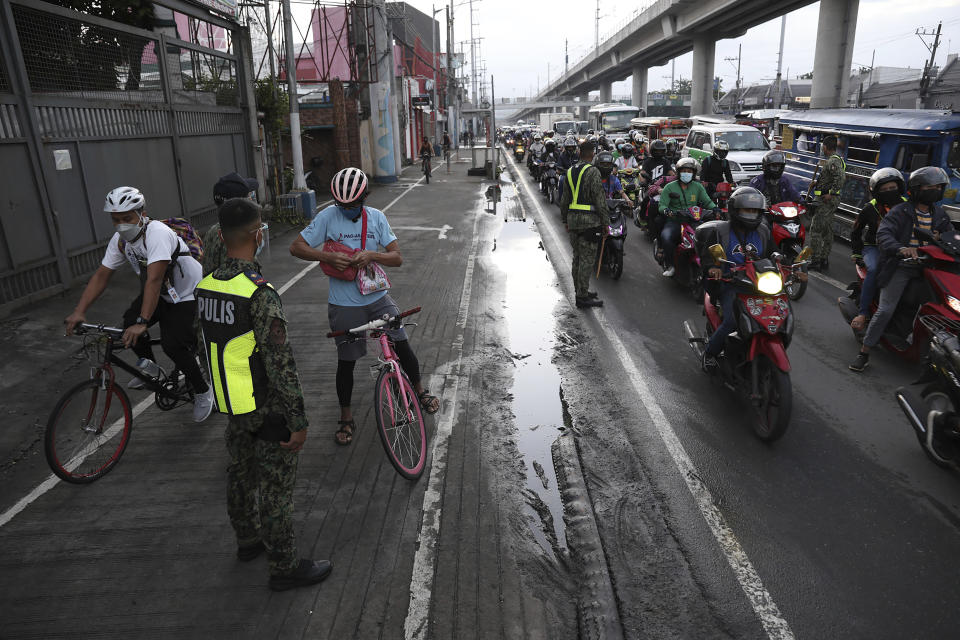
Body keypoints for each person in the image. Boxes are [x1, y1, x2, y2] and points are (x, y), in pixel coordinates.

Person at [195, 197, 331, 592]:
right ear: (258, 235)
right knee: (275, 490)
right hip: (267, 407)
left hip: (233, 404)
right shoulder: (259, 293)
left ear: (220, 236)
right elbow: (280, 365)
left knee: (239, 477)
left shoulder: (205, 288)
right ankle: (284, 566)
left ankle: (248, 542)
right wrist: (299, 422)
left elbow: (201, 342)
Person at [289, 167, 439, 444]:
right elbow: (296, 247)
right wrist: (328, 257)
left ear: (364, 199)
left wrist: (372, 255)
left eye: (353, 204)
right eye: (341, 205)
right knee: (346, 363)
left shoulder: (377, 218)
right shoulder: (326, 217)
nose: (346, 209)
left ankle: (418, 390)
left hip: (378, 298)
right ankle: (346, 416)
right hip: (343, 305)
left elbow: (397, 257)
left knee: (402, 345)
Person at [64, 187, 213, 421]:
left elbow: (153, 279)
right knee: (127, 327)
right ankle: (153, 372)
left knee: (172, 345)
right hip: (161, 292)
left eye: (127, 218)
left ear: (141, 213)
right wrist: (79, 312)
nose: (121, 224)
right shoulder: (121, 240)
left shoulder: (157, 233)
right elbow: (102, 275)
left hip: (187, 294)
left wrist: (143, 322)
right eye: (116, 220)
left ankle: (204, 391)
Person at [849, 167, 953, 372]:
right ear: (917, 189)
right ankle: (865, 351)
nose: (934, 190)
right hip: (901, 267)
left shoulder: (940, 215)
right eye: (928, 186)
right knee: (885, 309)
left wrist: (948, 243)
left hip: (929, 269)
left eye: (937, 187)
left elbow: (951, 238)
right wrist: (901, 249)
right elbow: (884, 235)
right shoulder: (900, 212)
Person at [697, 186, 774, 371]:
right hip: (730, 283)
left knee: (776, 318)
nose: (751, 214)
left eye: (755, 211)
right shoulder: (722, 231)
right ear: (735, 210)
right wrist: (714, 268)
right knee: (732, 321)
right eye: (747, 210)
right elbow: (708, 257)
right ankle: (710, 353)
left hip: (758, 285)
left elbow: (774, 254)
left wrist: (794, 269)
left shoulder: (763, 231)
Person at [848, 167, 907, 332]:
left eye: (892, 188)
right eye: (884, 189)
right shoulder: (870, 208)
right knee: (874, 270)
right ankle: (863, 313)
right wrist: (857, 252)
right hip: (873, 248)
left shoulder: (906, 207)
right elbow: (856, 231)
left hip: (899, 249)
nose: (889, 191)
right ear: (877, 191)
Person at [560, 138, 606, 309]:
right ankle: (582, 297)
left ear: (579, 153)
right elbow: (600, 200)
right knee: (587, 260)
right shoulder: (593, 172)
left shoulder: (570, 171)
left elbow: (564, 200)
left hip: (573, 221)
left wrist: (565, 220)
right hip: (589, 222)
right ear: (592, 154)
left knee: (577, 258)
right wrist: (606, 223)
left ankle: (581, 290)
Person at [658, 157, 717, 277]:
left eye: (689, 172)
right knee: (667, 237)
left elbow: (707, 202)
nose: (686, 174)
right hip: (675, 221)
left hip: (694, 221)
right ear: (679, 172)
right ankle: (670, 265)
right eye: (684, 171)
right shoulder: (670, 187)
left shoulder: (698, 187)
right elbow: (662, 205)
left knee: (709, 238)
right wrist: (668, 212)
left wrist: (715, 209)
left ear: (694, 174)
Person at [204, 172, 259, 276]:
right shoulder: (236, 232)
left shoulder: (213, 231)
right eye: (249, 196)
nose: (251, 198)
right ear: (239, 205)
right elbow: (243, 273)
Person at [808, 135, 846, 271]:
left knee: (815, 231)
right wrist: (817, 183)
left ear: (825, 147)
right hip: (828, 202)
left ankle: (816, 260)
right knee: (827, 231)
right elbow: (830, 179)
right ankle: (824, 259)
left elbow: (841, 177)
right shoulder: (835, 160)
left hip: (825, 202)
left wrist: (832, 193)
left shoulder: (832, 161)